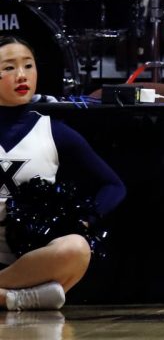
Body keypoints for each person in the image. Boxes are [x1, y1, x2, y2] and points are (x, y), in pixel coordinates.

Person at [0, 36, 126, 311]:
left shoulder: (54, 131)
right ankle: (14, 299)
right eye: (9, 68)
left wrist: (83, 222)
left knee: (77, 249)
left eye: (28, 66)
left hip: (32, 254)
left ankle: (7, 292)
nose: (21, 75)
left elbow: (113, 185)